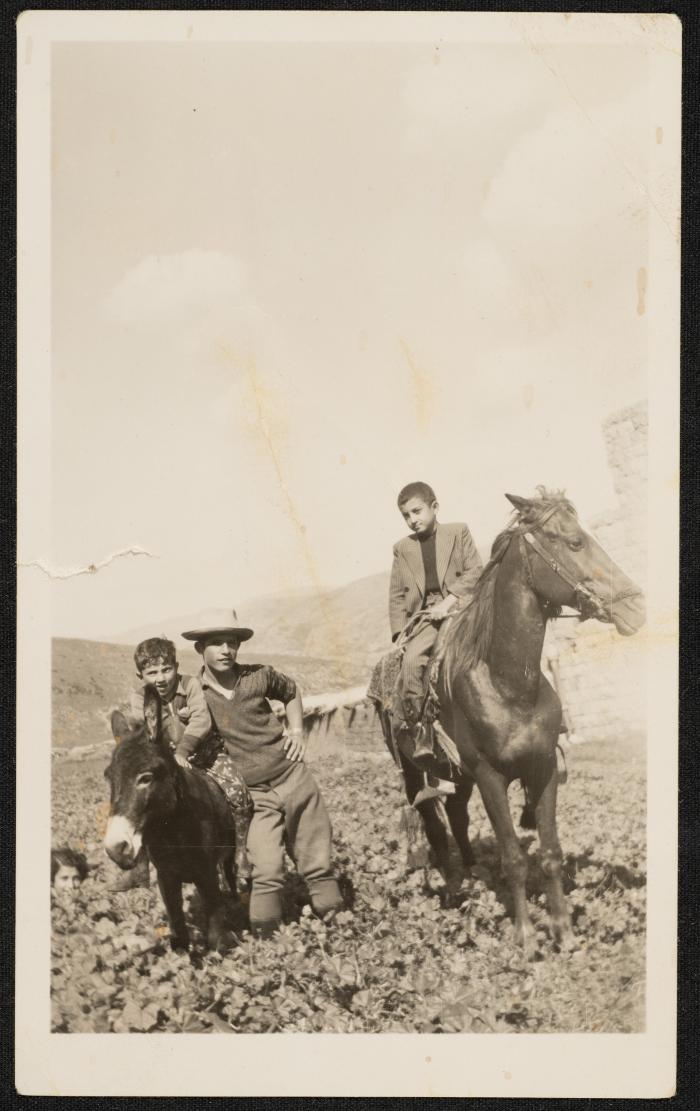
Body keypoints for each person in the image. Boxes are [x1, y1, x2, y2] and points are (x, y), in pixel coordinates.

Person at [181, 608, 344, 939]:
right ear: (200, 649)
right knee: (266, 866)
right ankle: (268, 944)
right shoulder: (195, 693)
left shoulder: (259, 676)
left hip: (293, 777)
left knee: (316, 856)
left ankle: (339, 927)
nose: (225, 650)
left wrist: (296, 732)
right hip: (253, 793)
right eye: (216, 643)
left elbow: (292, 691)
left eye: (231, 642)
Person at [114, 636, 252, 892]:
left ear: (176, 667)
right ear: (140, 675)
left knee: (238, 791)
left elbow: (201, 720)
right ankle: (139, 866)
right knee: (142, 802)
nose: (161, 678)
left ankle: (241, 851)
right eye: (152, 672)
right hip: (168, 763)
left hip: (204, 755)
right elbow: (140, 732)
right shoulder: (139, 698)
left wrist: (184, 749)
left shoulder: (190, 685)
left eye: (166, 669)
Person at [389, 482, 482, 764]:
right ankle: (422, 732)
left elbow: (476, 570)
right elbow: (396, 595)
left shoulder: (458, 531)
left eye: (417, 511)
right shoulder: (402, 548)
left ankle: (553, 723)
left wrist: (449, 602)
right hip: (426, 617)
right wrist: (399, 635)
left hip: (461, 606)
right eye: (406, 515)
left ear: (435, 507)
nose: (412, 519)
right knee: (413, 661)